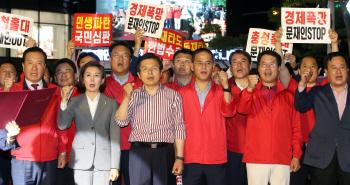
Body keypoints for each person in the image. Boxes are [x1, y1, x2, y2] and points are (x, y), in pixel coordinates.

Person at [274, 28, 340, 185]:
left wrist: (334, 43)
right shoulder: (294, 87)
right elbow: (281, 68)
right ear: (299, 69)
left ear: (319, 71)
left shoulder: (326, 87)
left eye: (312, 66)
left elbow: (334, 65)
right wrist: (278, 42)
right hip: (298, 148)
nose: (308, 69)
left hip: (322, 147)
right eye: (305, 66)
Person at [115, 53, 186, 185]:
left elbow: (179, 127)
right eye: (145, 69)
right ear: (139, 74)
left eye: (154, 68)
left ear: (161, 73)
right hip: (139, 153)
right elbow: (121, 121)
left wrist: (179, 158)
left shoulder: (174, 96)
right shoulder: (133, 95)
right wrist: (126, 97)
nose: (150, 72)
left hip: (165, 152)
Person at [1, 47, 68, 185]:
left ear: (44, 67)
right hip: (22, 157)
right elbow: (2, 117)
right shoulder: (13, 89)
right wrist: (5, 90)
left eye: (39, 63)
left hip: (49, 158)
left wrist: (62, 151)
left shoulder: (54, 90)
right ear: (23, 66)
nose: (34, 67)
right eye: (30, 63)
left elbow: (60, 123)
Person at [237, 50, 302, 185]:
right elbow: (241, 109)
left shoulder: (289, 96)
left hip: (282, 158)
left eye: (272, 64)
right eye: (264, 64)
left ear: (279, 68)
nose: (267, 68)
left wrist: (296, 155)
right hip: (256, 158)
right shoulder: (250, 93)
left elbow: (296, 129)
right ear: (258, 68)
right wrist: (249, 89)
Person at [58, 61, 120, 185]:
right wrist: (64, 101)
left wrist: (115, 166)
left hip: (104, 161)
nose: (92, 79)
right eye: (88, 75)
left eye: (96, 75)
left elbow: (115, 136)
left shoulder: (111, 103)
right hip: (80, 160)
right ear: (82, 79)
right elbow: (63, 125)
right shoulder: (73, 101)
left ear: (102, 80)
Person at [179, 48, 236, 185]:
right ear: (192, 66)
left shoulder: (222, 91)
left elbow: (229, 112)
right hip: (189, 157)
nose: (204, 67)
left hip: (216, 157)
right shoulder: (181, 93)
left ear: (213, 66)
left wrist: (226, 87)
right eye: (199, 63)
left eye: (207, 63)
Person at [294, 52, 350, 185]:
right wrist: (302, 82)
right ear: (326, 71)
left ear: (347, 70)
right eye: (333, 67)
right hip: (323, 155)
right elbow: (300, 106)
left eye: (342, 67)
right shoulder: (317, 91)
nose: (338, 71)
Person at [103, 39, 144, 185]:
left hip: (136, 149)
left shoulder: (142, 85)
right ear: (109, 59)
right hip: (107, 148)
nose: (120, 59)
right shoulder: (100, 85)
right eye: (116, 55)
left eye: (125, 55)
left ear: (131, 60)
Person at [53, 58, 82, 185]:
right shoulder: (50, 96)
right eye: (59, 72)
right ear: (54, 78)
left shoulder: (83, 97)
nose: (63, 75)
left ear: (76, 76)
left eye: (67, 71)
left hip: (78, 155)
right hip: (54, 155)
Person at [226, 50, 252, 185]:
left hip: (257, 150)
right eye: (235, 62)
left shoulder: (261, 87)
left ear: (251, 65)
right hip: (232, 150)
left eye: (243, 61)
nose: (239, 65)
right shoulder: (223, 88)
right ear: (230, 67)